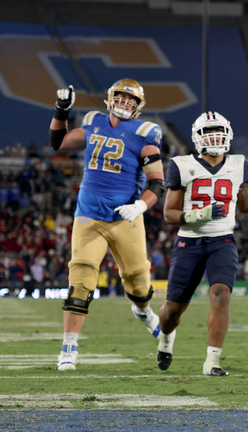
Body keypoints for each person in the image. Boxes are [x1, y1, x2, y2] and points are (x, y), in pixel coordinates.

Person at [48, 79, 166, 371]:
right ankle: (69, 347)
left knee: (139, 281)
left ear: (138, 107)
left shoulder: (145, 133)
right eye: (121, 98)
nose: (125, 104)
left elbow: (158, 183)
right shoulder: (92, 122)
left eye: (131, 100)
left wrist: (140, 205)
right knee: (81, 278)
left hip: (126, 217)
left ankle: (142, 310)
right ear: (111, 98)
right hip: (89, 215)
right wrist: (61, 111)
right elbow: (58, 143)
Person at [156, 111, 248, 376]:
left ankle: (212, 362)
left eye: (219, 131)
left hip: (223, 241)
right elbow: (169, 214)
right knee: (173, 309)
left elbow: (245, 203)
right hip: (189, 242)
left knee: (221, 294)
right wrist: (200, 214)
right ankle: (165, 338)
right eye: (209, 132)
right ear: (198, 137)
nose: (215, 136)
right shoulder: (181, 165)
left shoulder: (239, 164)